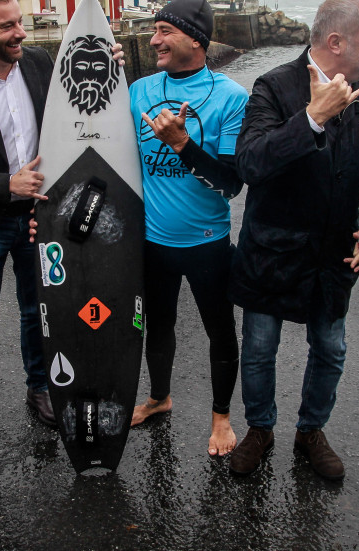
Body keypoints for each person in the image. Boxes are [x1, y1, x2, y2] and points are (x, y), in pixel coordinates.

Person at [0, 0, 122, 476]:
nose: (20, 33)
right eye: (7, 26)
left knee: (39, 312)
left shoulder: (38, 66)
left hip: (39, 220)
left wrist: (110, 70)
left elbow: (79, 105)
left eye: (21, 22)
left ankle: (41, 390)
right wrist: (4, 185)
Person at [228, 0, 359, 480]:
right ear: (337, 42)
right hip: (272, 251)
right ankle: (260, 429)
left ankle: (310, 430)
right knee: (259, 348)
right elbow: (249, 164)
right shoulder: (274, 85)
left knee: (330, 349)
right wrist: (311, 118)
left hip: (333, 255)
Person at [129, 0, 249, 457]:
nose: (154, 40)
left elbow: (231, 183)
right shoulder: (140, 91)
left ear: (195, 39)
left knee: (220, 330)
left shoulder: (231, 98)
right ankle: (160, 397)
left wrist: (182, 143)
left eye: (163, 30)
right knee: (157, 327)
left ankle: (221, 417)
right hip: (152, 242)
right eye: (153, 31)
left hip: (207, 243)